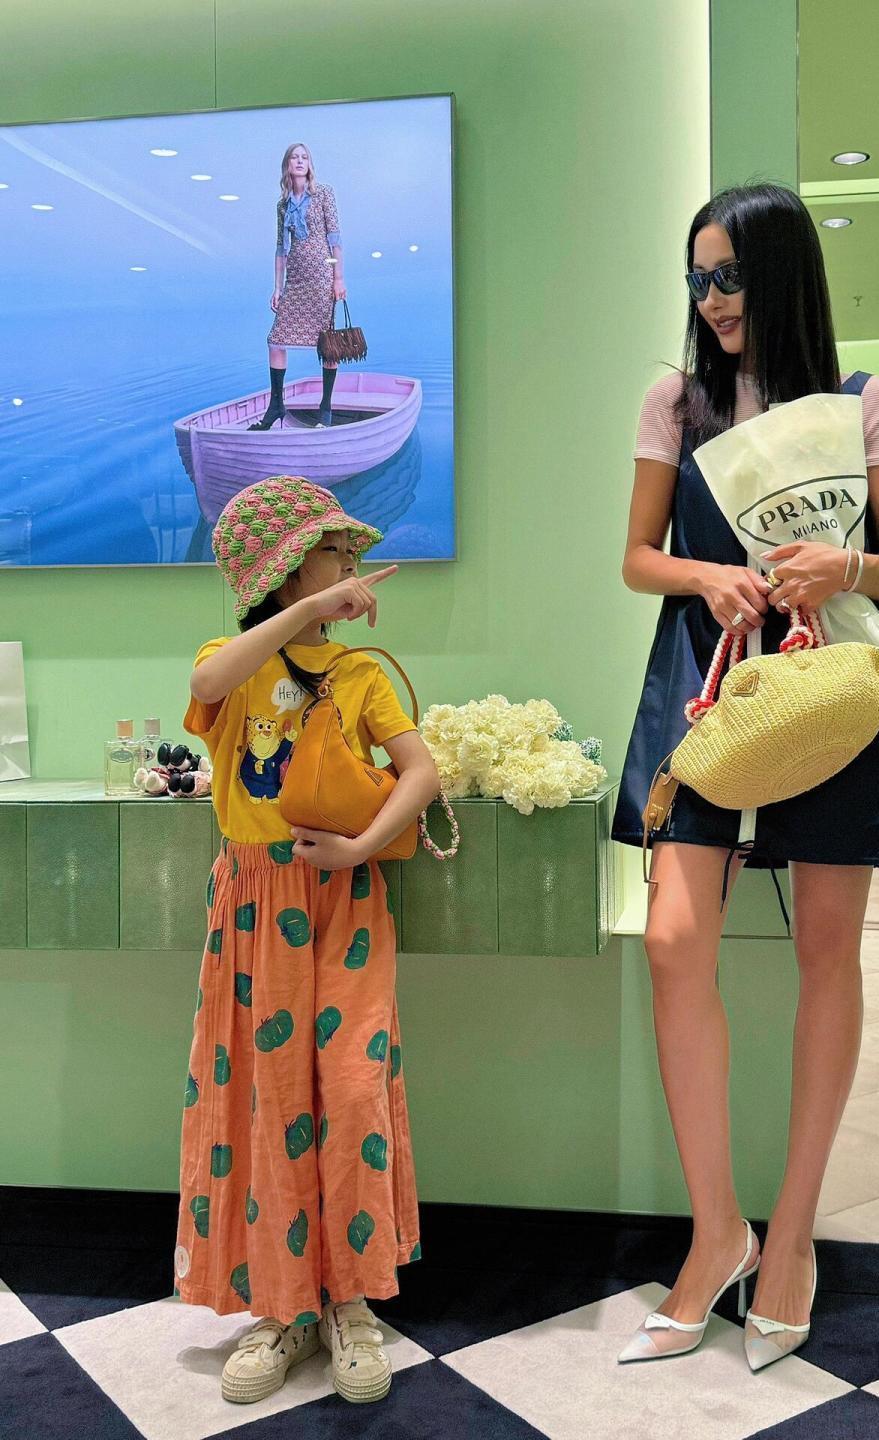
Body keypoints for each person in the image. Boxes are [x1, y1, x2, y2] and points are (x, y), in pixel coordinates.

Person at [612, 184, 879, 1372]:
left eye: (731, 276)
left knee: (827, 952)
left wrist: (842, 565)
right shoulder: (675, 400)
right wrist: (708, 577)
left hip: (830, 682)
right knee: (673, 941)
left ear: (783, 274)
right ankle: (718, 1233)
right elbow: (637, 556)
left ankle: (791, 1234)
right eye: (698, 278)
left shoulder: (865, 402)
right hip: (711, 682)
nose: (712, 300)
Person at [172, 475, 441, 1406]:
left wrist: (363, 847)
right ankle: (280, 1306)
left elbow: (420, 771)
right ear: (286, 568)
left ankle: (352, 1301)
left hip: (344, 902)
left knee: (354, 1095)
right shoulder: (232, 662)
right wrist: (309, 613)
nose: (349, 563)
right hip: (254, 907)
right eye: (332, 549)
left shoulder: (361, 674)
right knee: (266, 1099)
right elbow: (205, 685)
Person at [249, 144, 347, 430]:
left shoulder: (324, 193)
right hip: (296, 278)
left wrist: (339, 278)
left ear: (310, 164)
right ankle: (276, 406)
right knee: (275, 340)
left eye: (305, 157)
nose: (300, 161)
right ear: (287, 165)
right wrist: (277, 288)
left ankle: (325, 408)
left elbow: (335, 238)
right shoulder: (283, 205)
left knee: (328, 344)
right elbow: (281, 249)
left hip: (322, 276)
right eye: (295, 157)